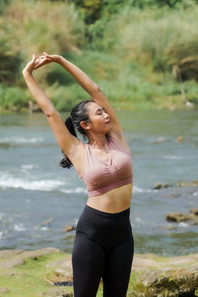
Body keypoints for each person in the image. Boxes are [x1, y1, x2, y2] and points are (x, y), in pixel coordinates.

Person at [23, 53, 134, 297]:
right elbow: (50, 112)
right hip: (92, 234)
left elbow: (95, 89)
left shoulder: (116, 137)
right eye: (99, 113)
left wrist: (62, 61)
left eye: (105, 111)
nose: (106, 115)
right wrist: (28, 75)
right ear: (85, 125)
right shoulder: (76, 150)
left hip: (123, 234)